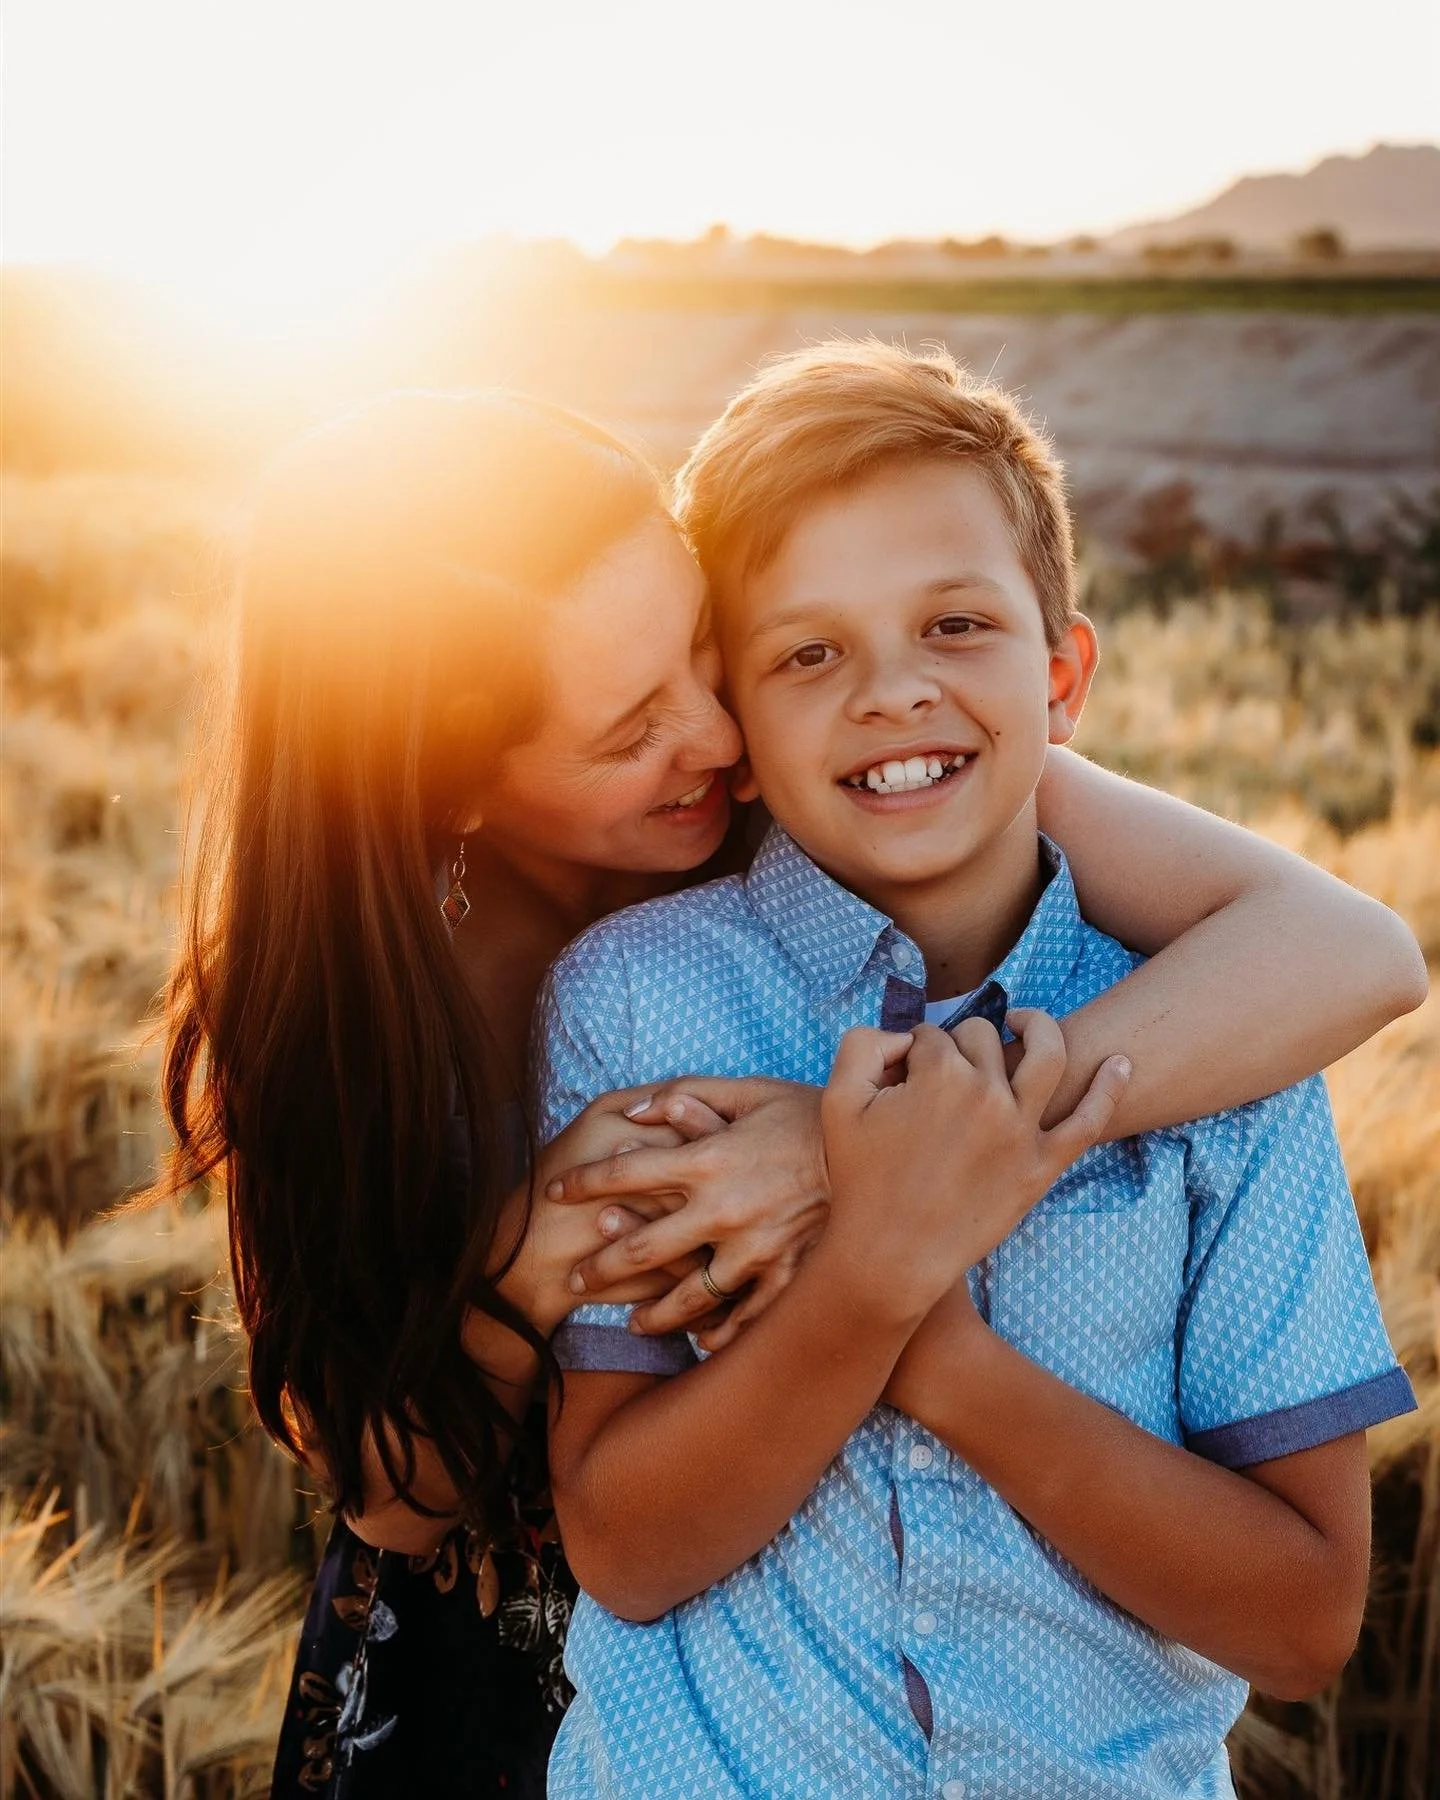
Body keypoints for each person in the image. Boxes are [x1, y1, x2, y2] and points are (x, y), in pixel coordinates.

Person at [155, 388, 1423, 1800]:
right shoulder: (360, 1002)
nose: (715, 734)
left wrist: (862, 1156)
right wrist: (533, 1257)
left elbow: (1351, 951)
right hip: (507, 1678)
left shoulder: (857, 767)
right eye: (633, 725)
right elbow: (392, 1492)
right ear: (453, 788)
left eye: (702, 650)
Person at [538, 343, 1421, 1799]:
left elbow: (1304, 1619)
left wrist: (943, 1361)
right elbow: (626, 1550)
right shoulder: (641, 1008)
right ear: (737, 731)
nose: (893, 693)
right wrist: (871, 1286)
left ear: (1063, 674)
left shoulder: (1228, 1040)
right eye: (808, 653)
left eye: (955, 624)